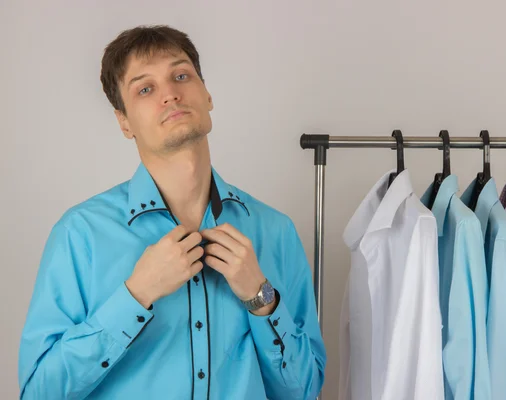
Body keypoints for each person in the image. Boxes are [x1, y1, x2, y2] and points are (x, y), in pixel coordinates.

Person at [17, 25, 326, 400]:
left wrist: (261, 300)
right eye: (145, 89)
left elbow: (304, 392)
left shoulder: (276, 232)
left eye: (181, 76)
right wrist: (136, 294)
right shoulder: (79, 235)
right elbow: (39, 393)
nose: (170, 94)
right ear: (124, 121)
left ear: (207, 94)